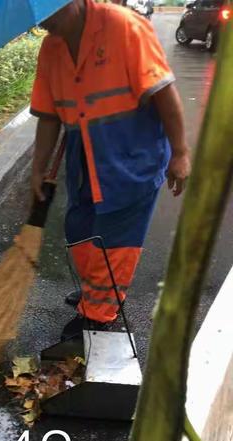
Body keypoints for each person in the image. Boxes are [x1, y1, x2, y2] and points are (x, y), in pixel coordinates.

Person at [30, 0, 191, 339]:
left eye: (50, 13)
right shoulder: (52, 46)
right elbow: (48, 115)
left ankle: (98, 316)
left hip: (132, 152)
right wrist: (38, 169)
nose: (45, 23)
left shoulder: (123, 26)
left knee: (117, 240)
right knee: (80, 228)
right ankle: (95, 289)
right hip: (83, 153)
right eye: (40, 17)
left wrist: (180, 153)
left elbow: (164, 93)